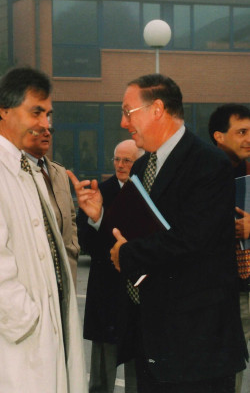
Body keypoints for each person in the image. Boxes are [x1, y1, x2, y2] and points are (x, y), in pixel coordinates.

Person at [68, 74, 248, 393]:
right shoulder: (141, 168)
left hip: (197, 348)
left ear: (157, 109)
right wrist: (99, 217)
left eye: (128, 112)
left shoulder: (208, 164)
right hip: (150, 340)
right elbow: (128, 236)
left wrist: (127, 254)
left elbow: (190, 241)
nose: (124, 123)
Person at [0, 67, 87, 393]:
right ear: (4, 110)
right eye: (36, 112)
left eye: (48, 114)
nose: (45, 123)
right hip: (12, 345)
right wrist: (29, 322)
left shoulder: (21, 166)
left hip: (37, 339)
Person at [77, 139, 143, 393]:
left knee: (139, 374)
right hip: (107, 294)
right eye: (117, 159)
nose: (120, 165)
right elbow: (86, 243)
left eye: (127, 160)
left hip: (139, 296)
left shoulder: (151, 192)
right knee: (102, 377)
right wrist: (97, 220)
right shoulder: (99, 193)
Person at [208, 103, 250, 393]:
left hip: (246, 286)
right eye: (242, 132)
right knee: (224, 371)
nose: (249, 138)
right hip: (221, 292)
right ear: (219, 136)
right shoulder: (204, 175)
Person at [24, 126, 80, 288]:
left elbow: (71, 216)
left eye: (50, 130)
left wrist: (73, 248)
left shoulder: (59, 171)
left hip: (66, 269)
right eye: (40, 130)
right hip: (37, 272)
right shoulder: (17, 173)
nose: (47, 134)